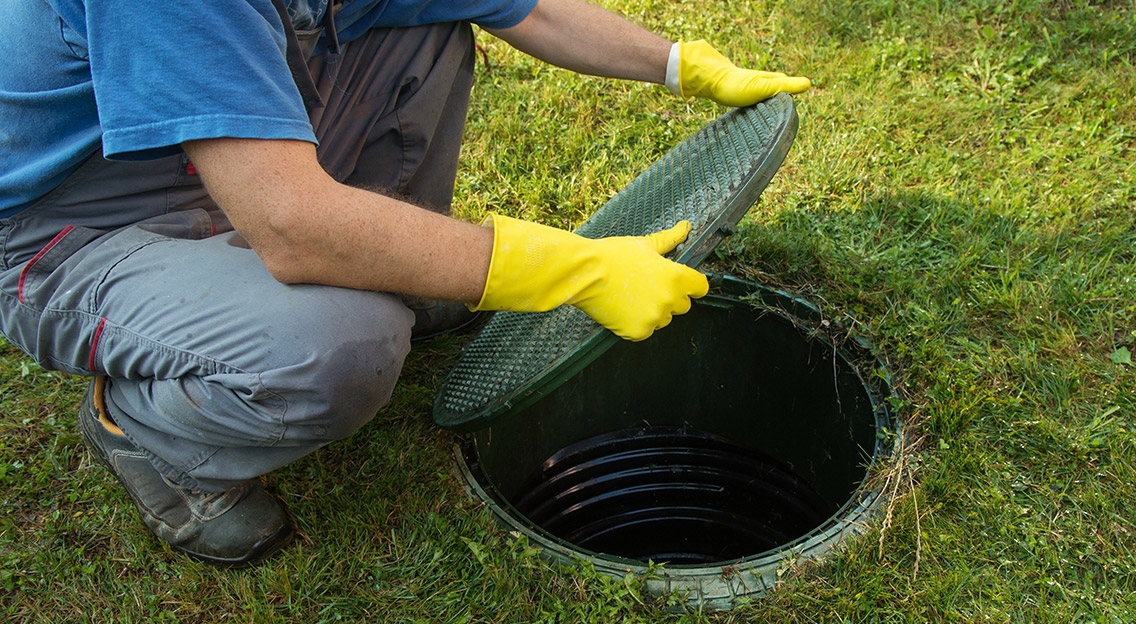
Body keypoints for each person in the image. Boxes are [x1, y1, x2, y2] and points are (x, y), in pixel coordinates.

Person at [0, 0, 811, 566]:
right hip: (72, 225)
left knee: (424, 28)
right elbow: (291, 224)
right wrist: (565, 266)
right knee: (334, 345)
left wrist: (681, 65)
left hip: (219, 158)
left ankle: (386, 268)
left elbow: (521, 7)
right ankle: (146, 434)